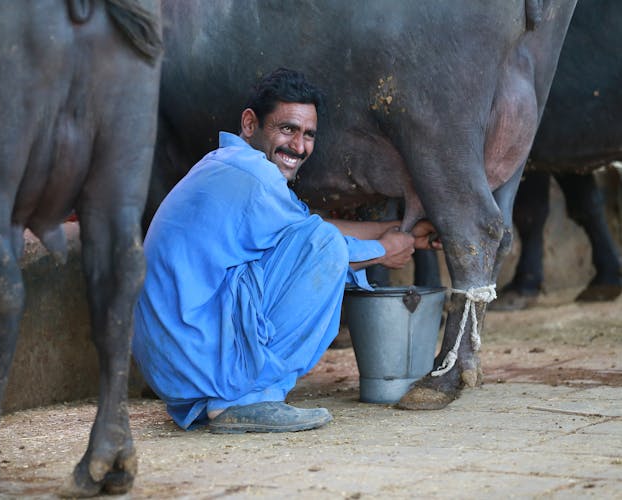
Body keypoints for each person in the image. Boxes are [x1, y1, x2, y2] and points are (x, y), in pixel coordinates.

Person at [133, 68, 438, 433]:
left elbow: (306, 227)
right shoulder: (255, 177)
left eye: (308, 134)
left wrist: (400, 233)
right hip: (194, 350)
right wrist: (382, 251)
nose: (299, 146)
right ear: (250, 124)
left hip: (175, 362)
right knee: (326, 248)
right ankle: (245, 400)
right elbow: (320, 241)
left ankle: (226, 398)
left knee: (319, 241)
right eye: (287, 129)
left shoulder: (231, 166)